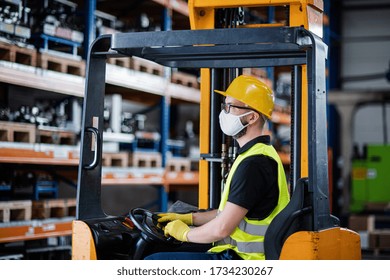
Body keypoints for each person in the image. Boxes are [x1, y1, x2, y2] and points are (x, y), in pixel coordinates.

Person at [145, 75, 290, 260]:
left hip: (243, 260)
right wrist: (189, 218)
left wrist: (185, 234)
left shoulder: (255, 163)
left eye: (230, 107)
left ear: (252, 117)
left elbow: (222, 228)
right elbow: (227, 214)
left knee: (152, 262)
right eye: (225, 106)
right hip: (237, 253)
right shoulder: (255, 154)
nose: (224, 113)